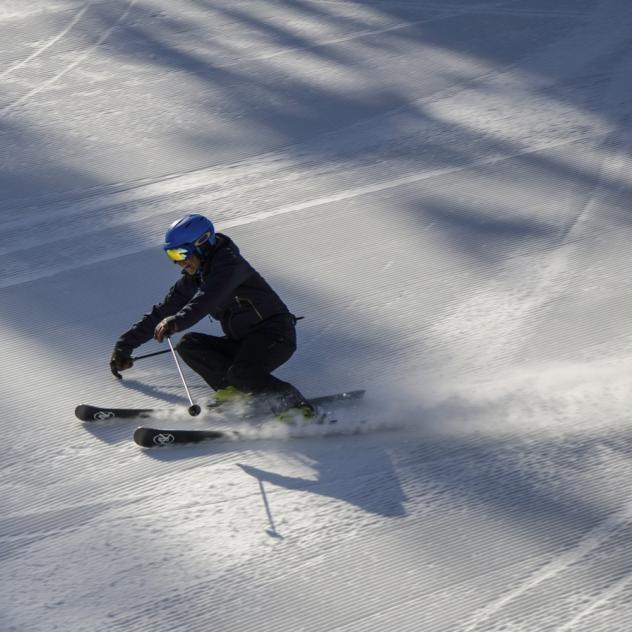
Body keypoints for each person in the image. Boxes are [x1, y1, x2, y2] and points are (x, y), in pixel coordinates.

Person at [109, 213, 314, 418]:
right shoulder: (197, 275)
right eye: (171, 255)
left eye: (181, 253)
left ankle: (298, 409)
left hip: (275, 335)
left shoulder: (230, 266)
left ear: (202, 244)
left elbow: (207, 299)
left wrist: (177, 321)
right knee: (189, 344)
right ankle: (236, 393)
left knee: (242, 373)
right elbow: (164, 310)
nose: (178, 262)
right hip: (242, 341)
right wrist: (124, 346)